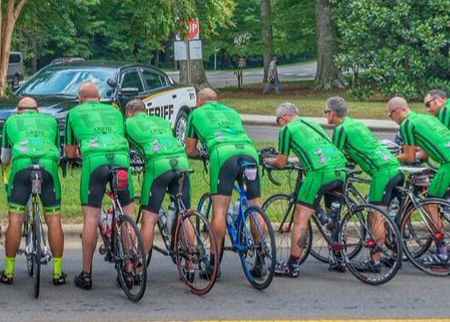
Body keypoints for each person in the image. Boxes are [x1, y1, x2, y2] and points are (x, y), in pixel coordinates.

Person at [184, 88, 263, 277]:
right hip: (249, 151)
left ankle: (213, 264)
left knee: (220, 209)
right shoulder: (232, 111)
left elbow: (190, 149)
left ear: (200, 101)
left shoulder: (195, 113)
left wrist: (201, 153)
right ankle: (261, 257)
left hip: (223, 153)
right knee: (255, 206)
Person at [64, 82, 132, 290]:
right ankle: (129, 272)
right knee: (127, 216)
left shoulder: (74, 113)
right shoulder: (115, 111)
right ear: (99, 97)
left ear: (80, 99)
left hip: (94, 161)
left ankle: (86, 274)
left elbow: (69, 152)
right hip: (120, 158)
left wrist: (78, 155)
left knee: (91, 218)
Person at [389, 96, 450, 262]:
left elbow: (410, 156)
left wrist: (389, 159)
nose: (391, 119)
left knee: (431, 204)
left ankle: (441, 252)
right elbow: (425, 152)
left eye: (390, 115)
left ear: (397, 110)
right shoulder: (425, 118)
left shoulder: (407, 125)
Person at [267, 103, 348, 277]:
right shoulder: (312, 124)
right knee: (334, 217)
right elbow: (314, 150)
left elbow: (281, 162)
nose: (279, 124)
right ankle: (339, 259)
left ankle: (293, 265)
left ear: (283, 118)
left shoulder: (287, 130)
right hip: (339, 169)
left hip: (319, 173)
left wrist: (269, 161)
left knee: (301, 218)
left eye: (278, 121)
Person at [325, 96, 406, 270]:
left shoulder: (341, 129)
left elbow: (336, 157)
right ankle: (391, 253)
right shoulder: (357, 124)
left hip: (382, 172)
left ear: (332, 113)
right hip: (395, 167)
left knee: (375, 215)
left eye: (326, 112)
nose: (326, 115)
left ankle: (375, 262)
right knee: (386, 216)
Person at [0, 97, 66, 286]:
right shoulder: (51, 121)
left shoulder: (11, 122)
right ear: (37, 111)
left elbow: (4, 158)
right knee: (54, 219)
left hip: (22, 165)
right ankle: (57, 273)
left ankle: (9, 272)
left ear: (18, 111)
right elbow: (59, 153)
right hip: (48, 165)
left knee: (15, 219)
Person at [124, 99, 189, 272]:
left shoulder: (128, 123)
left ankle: (138, 269)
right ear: (145, 111)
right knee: (186, 213)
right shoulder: (162, 121)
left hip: (158, 165)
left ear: (128, 113)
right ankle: (191, 265)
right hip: (181, 161)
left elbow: (126, 149)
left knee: (149, 220)